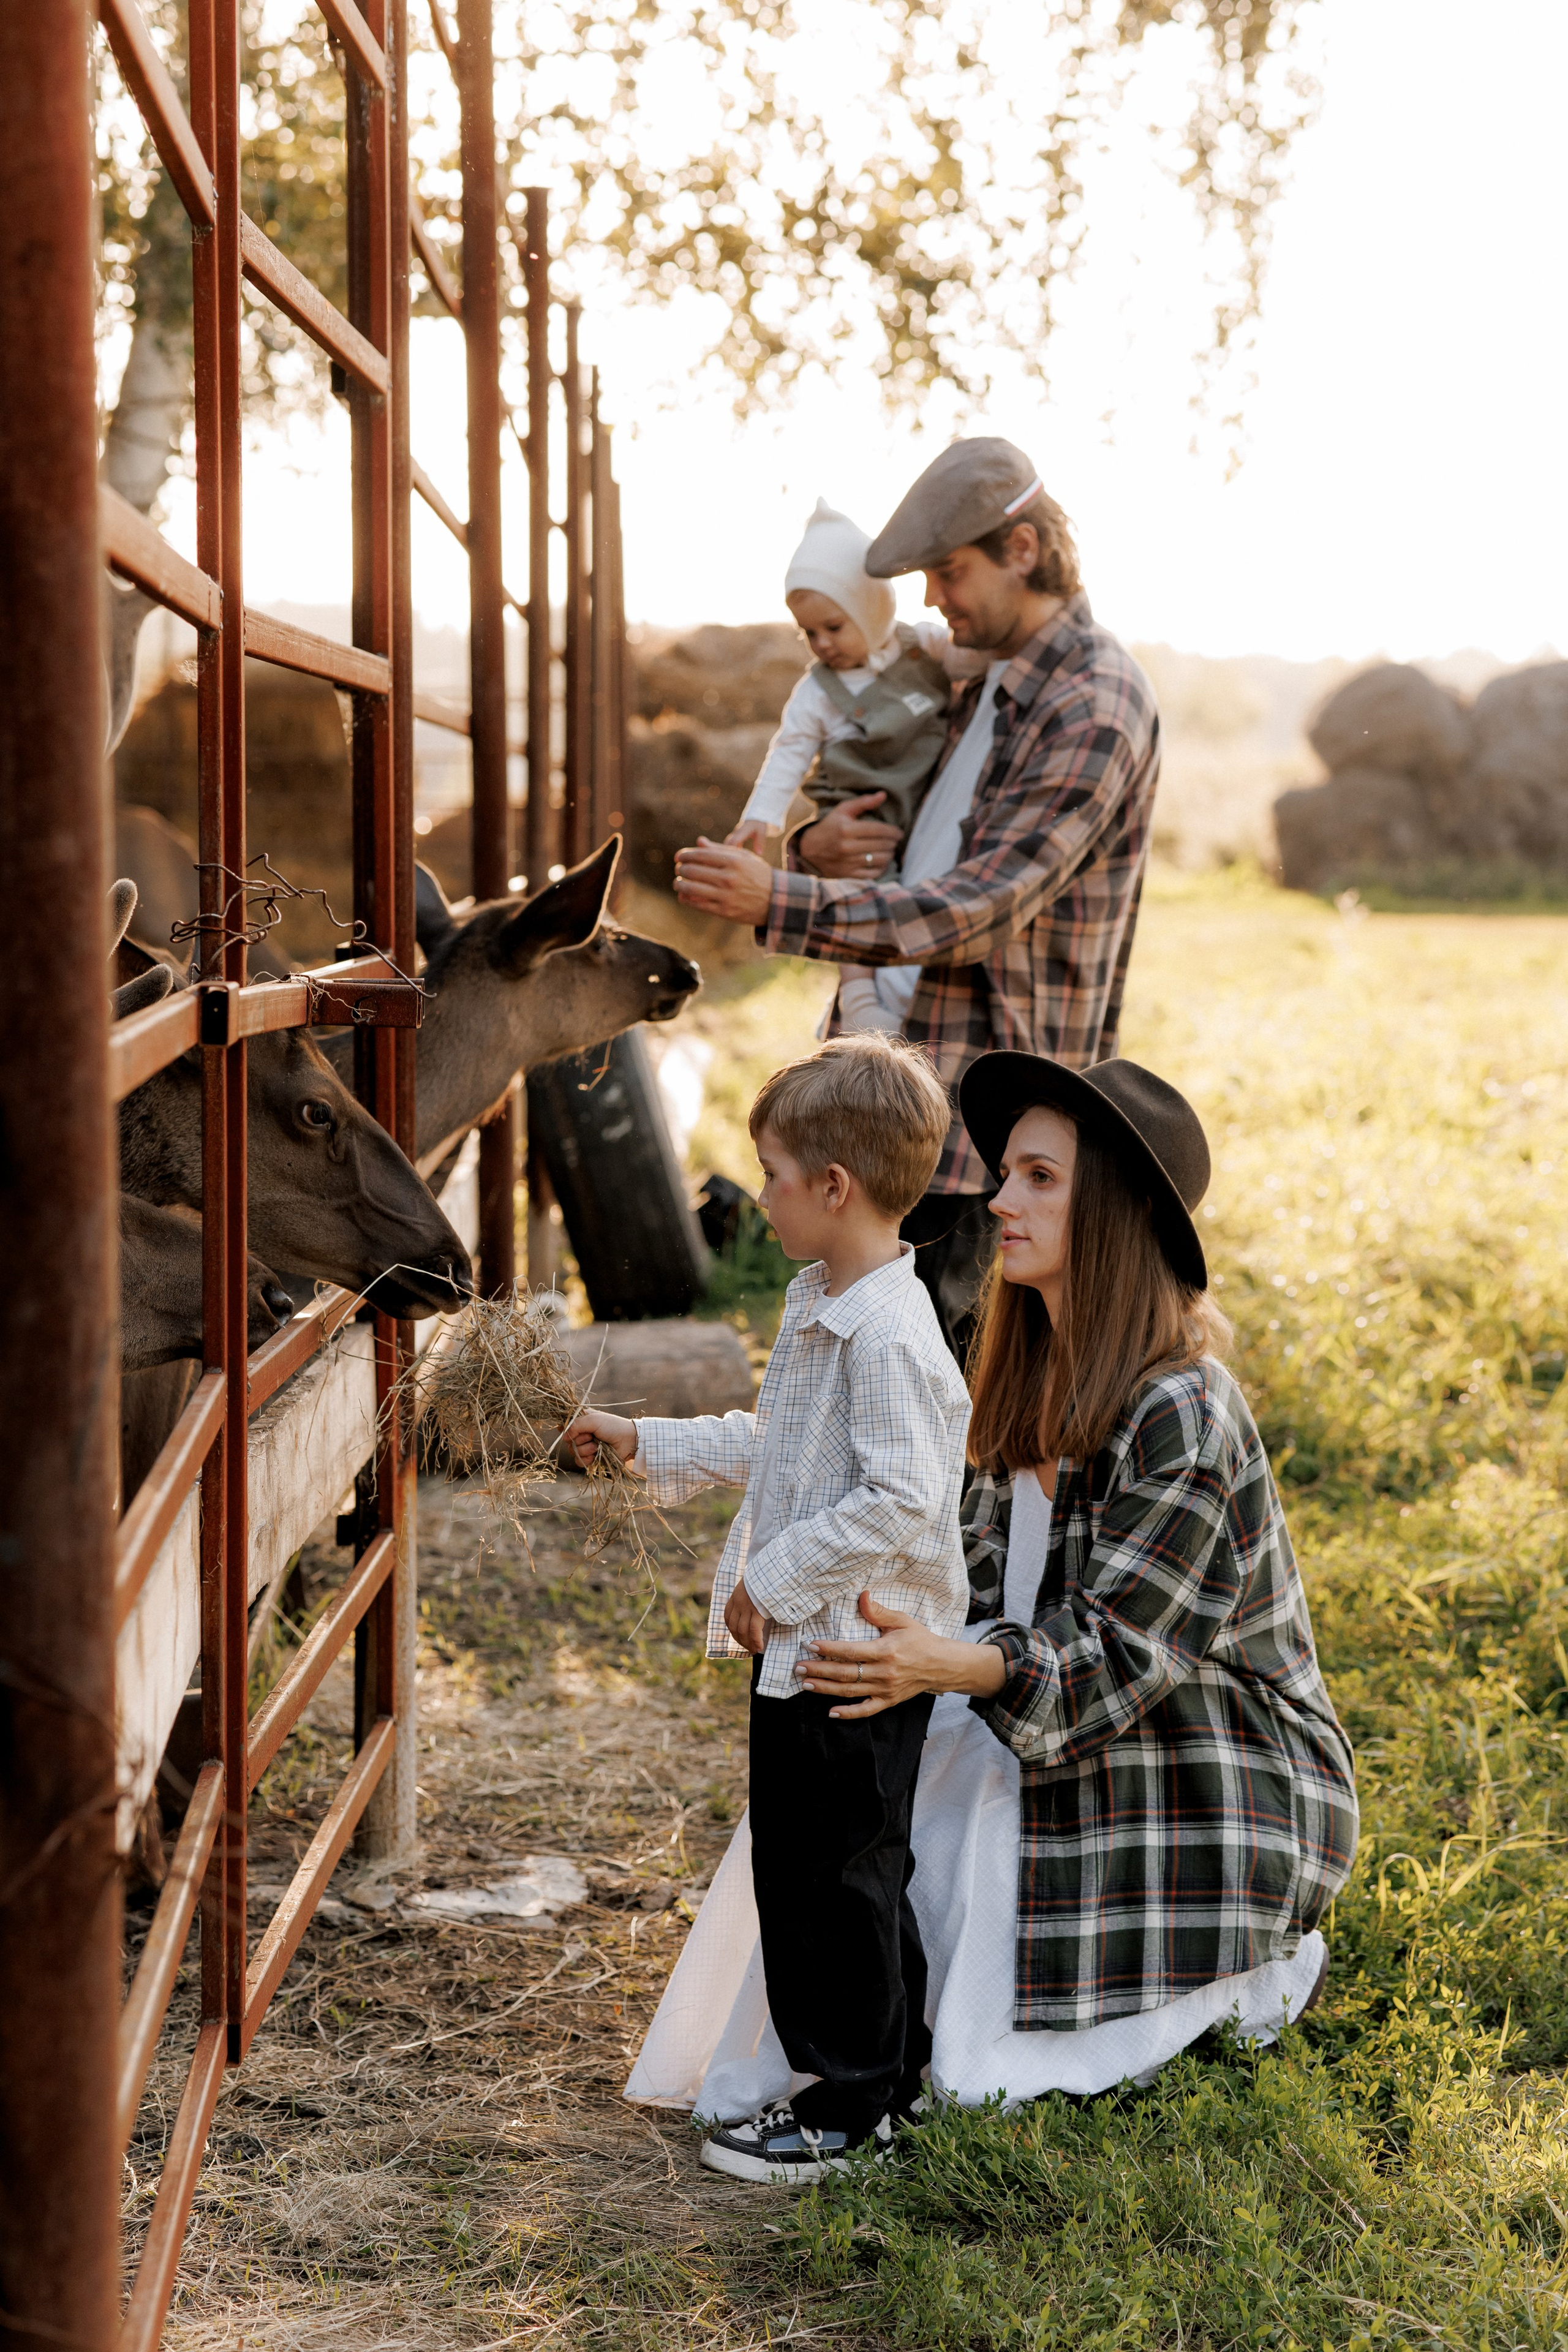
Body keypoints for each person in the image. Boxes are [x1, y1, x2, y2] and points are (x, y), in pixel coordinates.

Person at [624, 1051, 1359, 2120]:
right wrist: (886, 1640)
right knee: (846, 1796)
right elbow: (943, 1544)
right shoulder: (1022, 1361)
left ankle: (1232, 1974)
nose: (1000, 1200)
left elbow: (1117, 1661)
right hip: (1019, 1685)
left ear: (1113, 1214)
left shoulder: (1184, 1408)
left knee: (955, 1877)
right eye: (1008, 1172)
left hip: (1191, 1749)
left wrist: (942, 1665)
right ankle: (855, 2055)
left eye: (1040, 1179)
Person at [569, 1033, 972, 2184]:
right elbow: (780, 1447)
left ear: (833, 1188)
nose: (760, 1195)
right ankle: (886, 2079)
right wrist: (645, 1440)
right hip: (805, 1653)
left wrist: (775, 1578)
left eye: (773, 1174)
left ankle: (850, 2107)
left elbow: (903, 1495)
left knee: (839, 1878)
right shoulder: (824, 1302)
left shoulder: (887, 1335)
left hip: (854, 1659)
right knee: (812, 1870)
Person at [673, 437, 1162, 1364]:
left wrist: (785, 899)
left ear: (1022, 550)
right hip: (898, 1077)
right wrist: (819, 845)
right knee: (863, 1361)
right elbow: (903, 826)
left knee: (946, 1381)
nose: (932, 599)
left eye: (949, 571)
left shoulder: (1091, 702)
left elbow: (978, 907)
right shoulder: (972, 673)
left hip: (982, 1114)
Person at [728, 498, 984, 1035]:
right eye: (809, 634)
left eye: (833, 627)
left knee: (910, 895)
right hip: (861, 805)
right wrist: (761, 815)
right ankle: (859, 996)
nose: (822, 644)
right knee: (861, 890)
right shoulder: (817, 692)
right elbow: (790, 751)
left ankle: (893, 1002)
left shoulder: (923, 646)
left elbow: (973, 659)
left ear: (872, 608)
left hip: (921, 799)